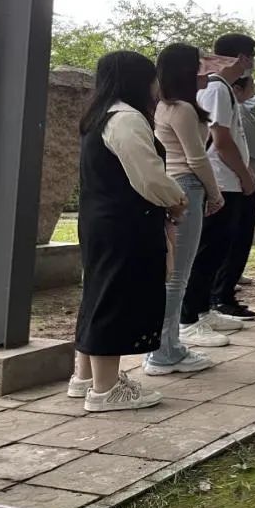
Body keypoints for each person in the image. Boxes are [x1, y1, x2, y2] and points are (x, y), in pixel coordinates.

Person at [71, 51, 188, 412]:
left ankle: (85, 377)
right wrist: (176, 199)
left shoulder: (99, 116)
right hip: (125, 223)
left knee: (98, 294)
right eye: (153, 78)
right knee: (115, 299)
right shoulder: (127, 119)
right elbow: (148, 176)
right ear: (139, 80)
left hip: (100, 220)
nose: (157, 86)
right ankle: (106, 390)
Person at [144, 45, 233, 376]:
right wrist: (215, 193)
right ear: (185, 71)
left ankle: (164, 346)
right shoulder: (180, 109)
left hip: (176, 186)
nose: (206, 71)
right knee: (177, 275)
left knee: (172, 273)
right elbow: (196, 158)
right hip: (187, 186)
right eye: (198, 65)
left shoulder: (164, 106)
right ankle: (164, 352)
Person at [184, 33, 255, 330]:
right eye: (251, 57)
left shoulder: (221, 88)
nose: (252, 64)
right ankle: (189, 317)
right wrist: (245, 174)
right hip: (222, 180)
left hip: (227, 180)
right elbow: (221, 139)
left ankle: (203, 310)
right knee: (207, 250)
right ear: (241, 58)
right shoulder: (216, 88)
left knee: (217, 250)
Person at [213, 74, 255, 306]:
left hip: (253, 174)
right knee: (238, 238)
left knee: (241, 236)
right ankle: (222, 294)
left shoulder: (242, 111)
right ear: (237, 88)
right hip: (248, 177)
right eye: (251, 84)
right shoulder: (239, 112)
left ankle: (224, 292)